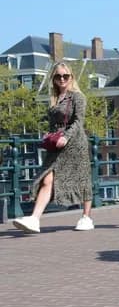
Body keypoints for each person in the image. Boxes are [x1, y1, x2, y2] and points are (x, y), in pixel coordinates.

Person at [12, 63, 94, 233]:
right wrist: (49, 135)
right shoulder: (54, 98)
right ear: (53, 79)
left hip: (74, 144)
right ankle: (34, 219)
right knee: (47, 178)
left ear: (71, 77)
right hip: (57, 146)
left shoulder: (77, 97)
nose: (62, 79)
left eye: (66, 76)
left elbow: (79, 121)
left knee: (82, 179)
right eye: (58, 76)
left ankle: (86, 217)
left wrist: (66, 136)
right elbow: (52, 124)